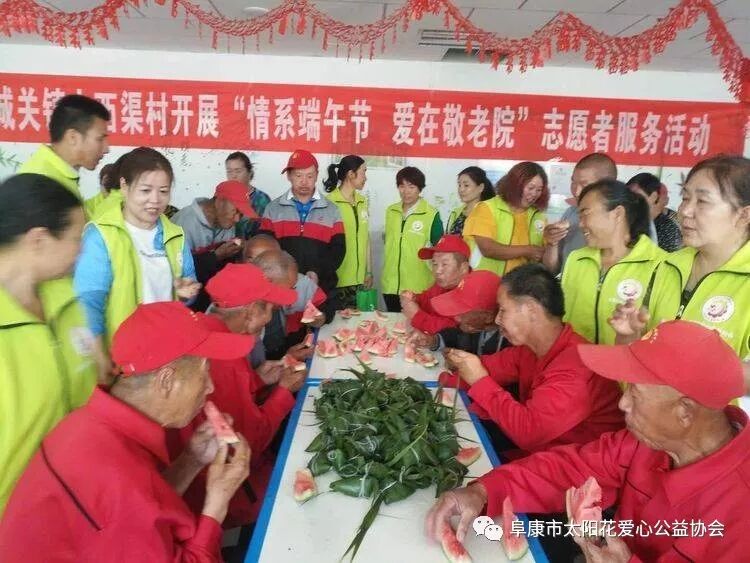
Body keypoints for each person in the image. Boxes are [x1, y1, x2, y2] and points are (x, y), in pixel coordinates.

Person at [426, 321, 750, 562]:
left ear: (684, 411)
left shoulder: (741, 513)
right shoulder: (644, 442)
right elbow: (566, 468)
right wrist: (483, 491)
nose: (622, 404)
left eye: (634, 394)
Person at [0, 301, 253, 561]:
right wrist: (217, 503)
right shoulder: (119, 477)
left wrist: (191, 460)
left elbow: (137, 512)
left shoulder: (85, 422)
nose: (210, 387)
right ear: (167, 381)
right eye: (205, 372)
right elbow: (128, 502)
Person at [171, 263, 303, 529]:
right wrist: (284, 392)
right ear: (252, 311)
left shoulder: (206, 328)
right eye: (269, 309)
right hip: (217, 492)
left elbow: (224, 396)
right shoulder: (225, 358)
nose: (269, 319)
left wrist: (257, 379)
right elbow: (249, 442)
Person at [444, 264, 623, 458]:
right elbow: (486, 367)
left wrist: (479, 380)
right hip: (539, 455)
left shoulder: (577, 367)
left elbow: (529, 433)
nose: (496, 320)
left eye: (503, 310)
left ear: (531, 309)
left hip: (573, 472)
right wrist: (446, 377)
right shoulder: (529, 349)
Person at [611, 155, 750, 396]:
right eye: (685, 197)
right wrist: (628, 335)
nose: (685, 210)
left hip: (711, 430)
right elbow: (634, 360)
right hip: (645, 417)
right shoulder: (664, 267)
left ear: (744, 214)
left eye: (702, 201)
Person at [0, 174, 97, 516]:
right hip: (15, 524)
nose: (82, 249)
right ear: (39, 240)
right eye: (76, 238)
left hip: (74, 503)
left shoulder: (67, 299)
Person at [74, 147, 200, 380]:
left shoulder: (176, 235)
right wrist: (101, 359)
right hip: (121, 362)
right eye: (145, 190)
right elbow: (88, 302)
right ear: (124, 186)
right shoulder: (101, 235)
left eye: (163, 191)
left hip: (166, 357)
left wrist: (186, 293)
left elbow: (188, 291)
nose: (155, 200)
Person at [561, 179, 665, 345]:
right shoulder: (577, 259)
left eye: (585, 214)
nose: (581, 224)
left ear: (617, 213)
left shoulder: (660, 265)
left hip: (623, 368)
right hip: (576, 366)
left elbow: (660, 335)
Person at [259, 150, 345, 298]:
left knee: (319, 319)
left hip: (321, 287)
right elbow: (265, 250)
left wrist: (317, 271)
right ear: (289, 176)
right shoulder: (273, 209)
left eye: (310, 176)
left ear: (317, 176)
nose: (304, 181)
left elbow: (338, 250)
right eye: (298, 175)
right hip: (282, 288)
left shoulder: (332, 210)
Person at [19, 94, 110, 203]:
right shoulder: (41, 183)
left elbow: (74, 216)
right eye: (100, 139)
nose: (106, 149)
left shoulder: (54, 173)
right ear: (73, 137)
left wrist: (107, 197)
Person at [463, 161, 548, 276]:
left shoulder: (538, 217)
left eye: (539, 190)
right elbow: (488, 249)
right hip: (485, 286)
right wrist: (528, 250)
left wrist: (552, 243)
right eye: (530, 188)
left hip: (520, 288)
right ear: (515, 185)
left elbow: (544, 257)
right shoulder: (487, 208)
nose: (534, 194)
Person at [543, 152, 618, 274]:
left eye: (584, 184)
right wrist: (552, 243)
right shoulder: (570, 213)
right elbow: (552, 270)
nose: (576, 191)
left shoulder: (624, 219)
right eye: (573, 182)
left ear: (607, 186)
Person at [381, 166, 443, 311]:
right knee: (393, 327)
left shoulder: (431, 214)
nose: (406, 191)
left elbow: (440, 252)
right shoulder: (391, 211)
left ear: (419, 188)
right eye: (401, 186)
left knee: (415, 329)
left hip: (417, 288)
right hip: (391, 285)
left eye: (411, 186)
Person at [323, 155, 372, 308]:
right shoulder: (330, 203)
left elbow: (366, 239)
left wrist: (368, 271)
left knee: (359, 328)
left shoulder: (362, 202)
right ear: (351, 174)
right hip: (338, 280)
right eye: (363, 172)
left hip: (360, 280)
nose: (366, 177)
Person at [400, 235, 470, 336]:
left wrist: (417, 316)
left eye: (444, 264)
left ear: (463, 268)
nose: (437, 271)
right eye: (435, 264)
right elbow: (427, 300)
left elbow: (455, 332)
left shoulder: (472, 292)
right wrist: (414, 299)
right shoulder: (443, 284)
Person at [627, 172, 683, 252]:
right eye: (628, 196)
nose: (630, 202)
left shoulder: (667, 229)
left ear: (654, 196)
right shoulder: (622, 221)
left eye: (637, 197)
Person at [225, 151, 271, 239]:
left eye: (238, 171)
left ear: (249, 172)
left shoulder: (262, 200)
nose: (233, 176)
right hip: (226, 250)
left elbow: (266, 234)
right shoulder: (222, 199)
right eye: (229, 171)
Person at [446, 166, 495, 236]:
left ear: (481, 187)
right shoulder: (455, 213)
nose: (461, 189)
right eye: (459, 185)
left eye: (466, 185)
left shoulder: (488, 213)